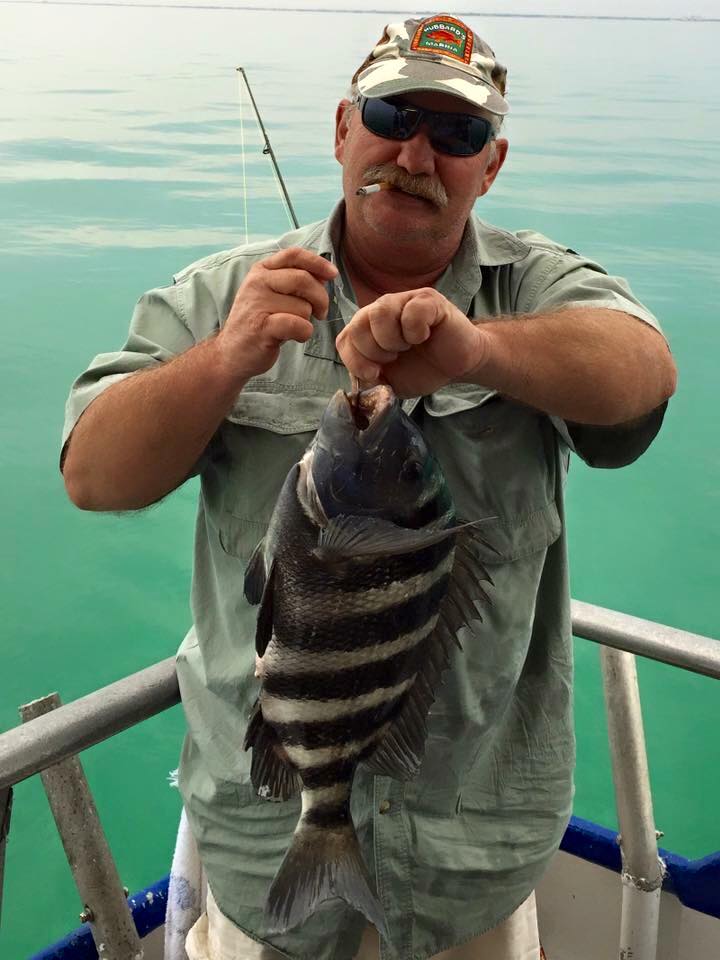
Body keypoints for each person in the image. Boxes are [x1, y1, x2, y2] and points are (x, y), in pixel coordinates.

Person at [61, 13, 677, 960]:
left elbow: (641, 369)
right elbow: (93, 475)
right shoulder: (226, 294)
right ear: (344, 130)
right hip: (266, 837)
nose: (417, 152)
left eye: (457, 133)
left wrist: (476, 350)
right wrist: (228, 355)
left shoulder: (536, 287)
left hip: (471, 855)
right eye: (393, 114)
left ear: (491, 163)